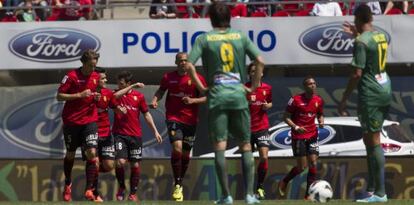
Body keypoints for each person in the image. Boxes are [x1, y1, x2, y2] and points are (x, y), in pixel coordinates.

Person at [185, 2, 265, 204]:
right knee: (246, 145)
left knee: (220, 145)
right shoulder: (240, 37)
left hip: (217, 95)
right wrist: (253, 87)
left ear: (210, 18)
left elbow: (188, 65)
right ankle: (249, 195)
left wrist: (202, 88)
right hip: (238, 94)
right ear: (230, 17)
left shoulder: (204, 39)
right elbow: (261, 61)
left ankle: (225, 196)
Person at [338, 4, 391, 203]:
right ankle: (372, 189)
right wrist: (356, 35)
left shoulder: (361, 41)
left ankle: (380, 193)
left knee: (374, 140)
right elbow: (371, 52)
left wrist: (344, 98)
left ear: (358, 19)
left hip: (371, 93)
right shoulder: (380, 36)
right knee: (369, 140)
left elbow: (357, 73)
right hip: (384, 87)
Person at [151, 52, 206, 202]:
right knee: (177, 148)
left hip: (191, 120)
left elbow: (207, 96)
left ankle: (179, 181)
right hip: (173, 118)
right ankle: (177, 184)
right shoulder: (168, 77)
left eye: (186, 61)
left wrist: (193, 101)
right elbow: (161, 90)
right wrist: (155, 100)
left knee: (186, 154)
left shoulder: (197, 78)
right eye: (180, 60)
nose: (183, 63)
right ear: (176, 62)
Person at [57, 49, 101, 202]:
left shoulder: (96, 77)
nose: (93, 69)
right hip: (71, 122)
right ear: (83, 63)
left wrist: (96, 97)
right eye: (90, 65)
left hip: (89, 121)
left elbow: (94, 95)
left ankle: (89, 189)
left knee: (92, 153)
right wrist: (79, 95)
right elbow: (59, 96)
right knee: (70, 154)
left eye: (95, 66)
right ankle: (68, 182)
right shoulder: (71, 76)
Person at [113, 71, 163, 202]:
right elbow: (116, 96)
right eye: (118, 82)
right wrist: (133, 85)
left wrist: (156, 132)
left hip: (135, 135)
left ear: (127, 83)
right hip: (120, 135)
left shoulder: (138, 97)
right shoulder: (115, 93)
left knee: (135, 165)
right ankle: (122, 187)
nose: (118, 85)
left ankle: (133, 193)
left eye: (121, 83)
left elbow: (146, 115)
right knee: (120, 162)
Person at [277, 76, 324, 200]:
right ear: (304, 86)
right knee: (302, 167)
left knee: (313, 163)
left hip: (313, 134)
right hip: (298, 136)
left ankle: (308, 195)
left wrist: (321, 120)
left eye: (314, 83)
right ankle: (284, 181)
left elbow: (319, 113)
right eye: (309, 84)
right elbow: (286, 117)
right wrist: (296, 127)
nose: (313, 85)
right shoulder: (295, 100)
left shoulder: (318, 100)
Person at [245, 63, 272, 200]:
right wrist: (246, 104)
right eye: (252, 71)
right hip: (247, 129)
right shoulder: (244, 88)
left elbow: (270, 102)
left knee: (264, 157)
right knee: (248, 161)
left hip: (262, 127)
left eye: (258, 71)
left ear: (261, 73)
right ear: (249, 74)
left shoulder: (267, 88)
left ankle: (260, 186)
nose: (255, 73)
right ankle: (249, 190)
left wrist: (268, 105)